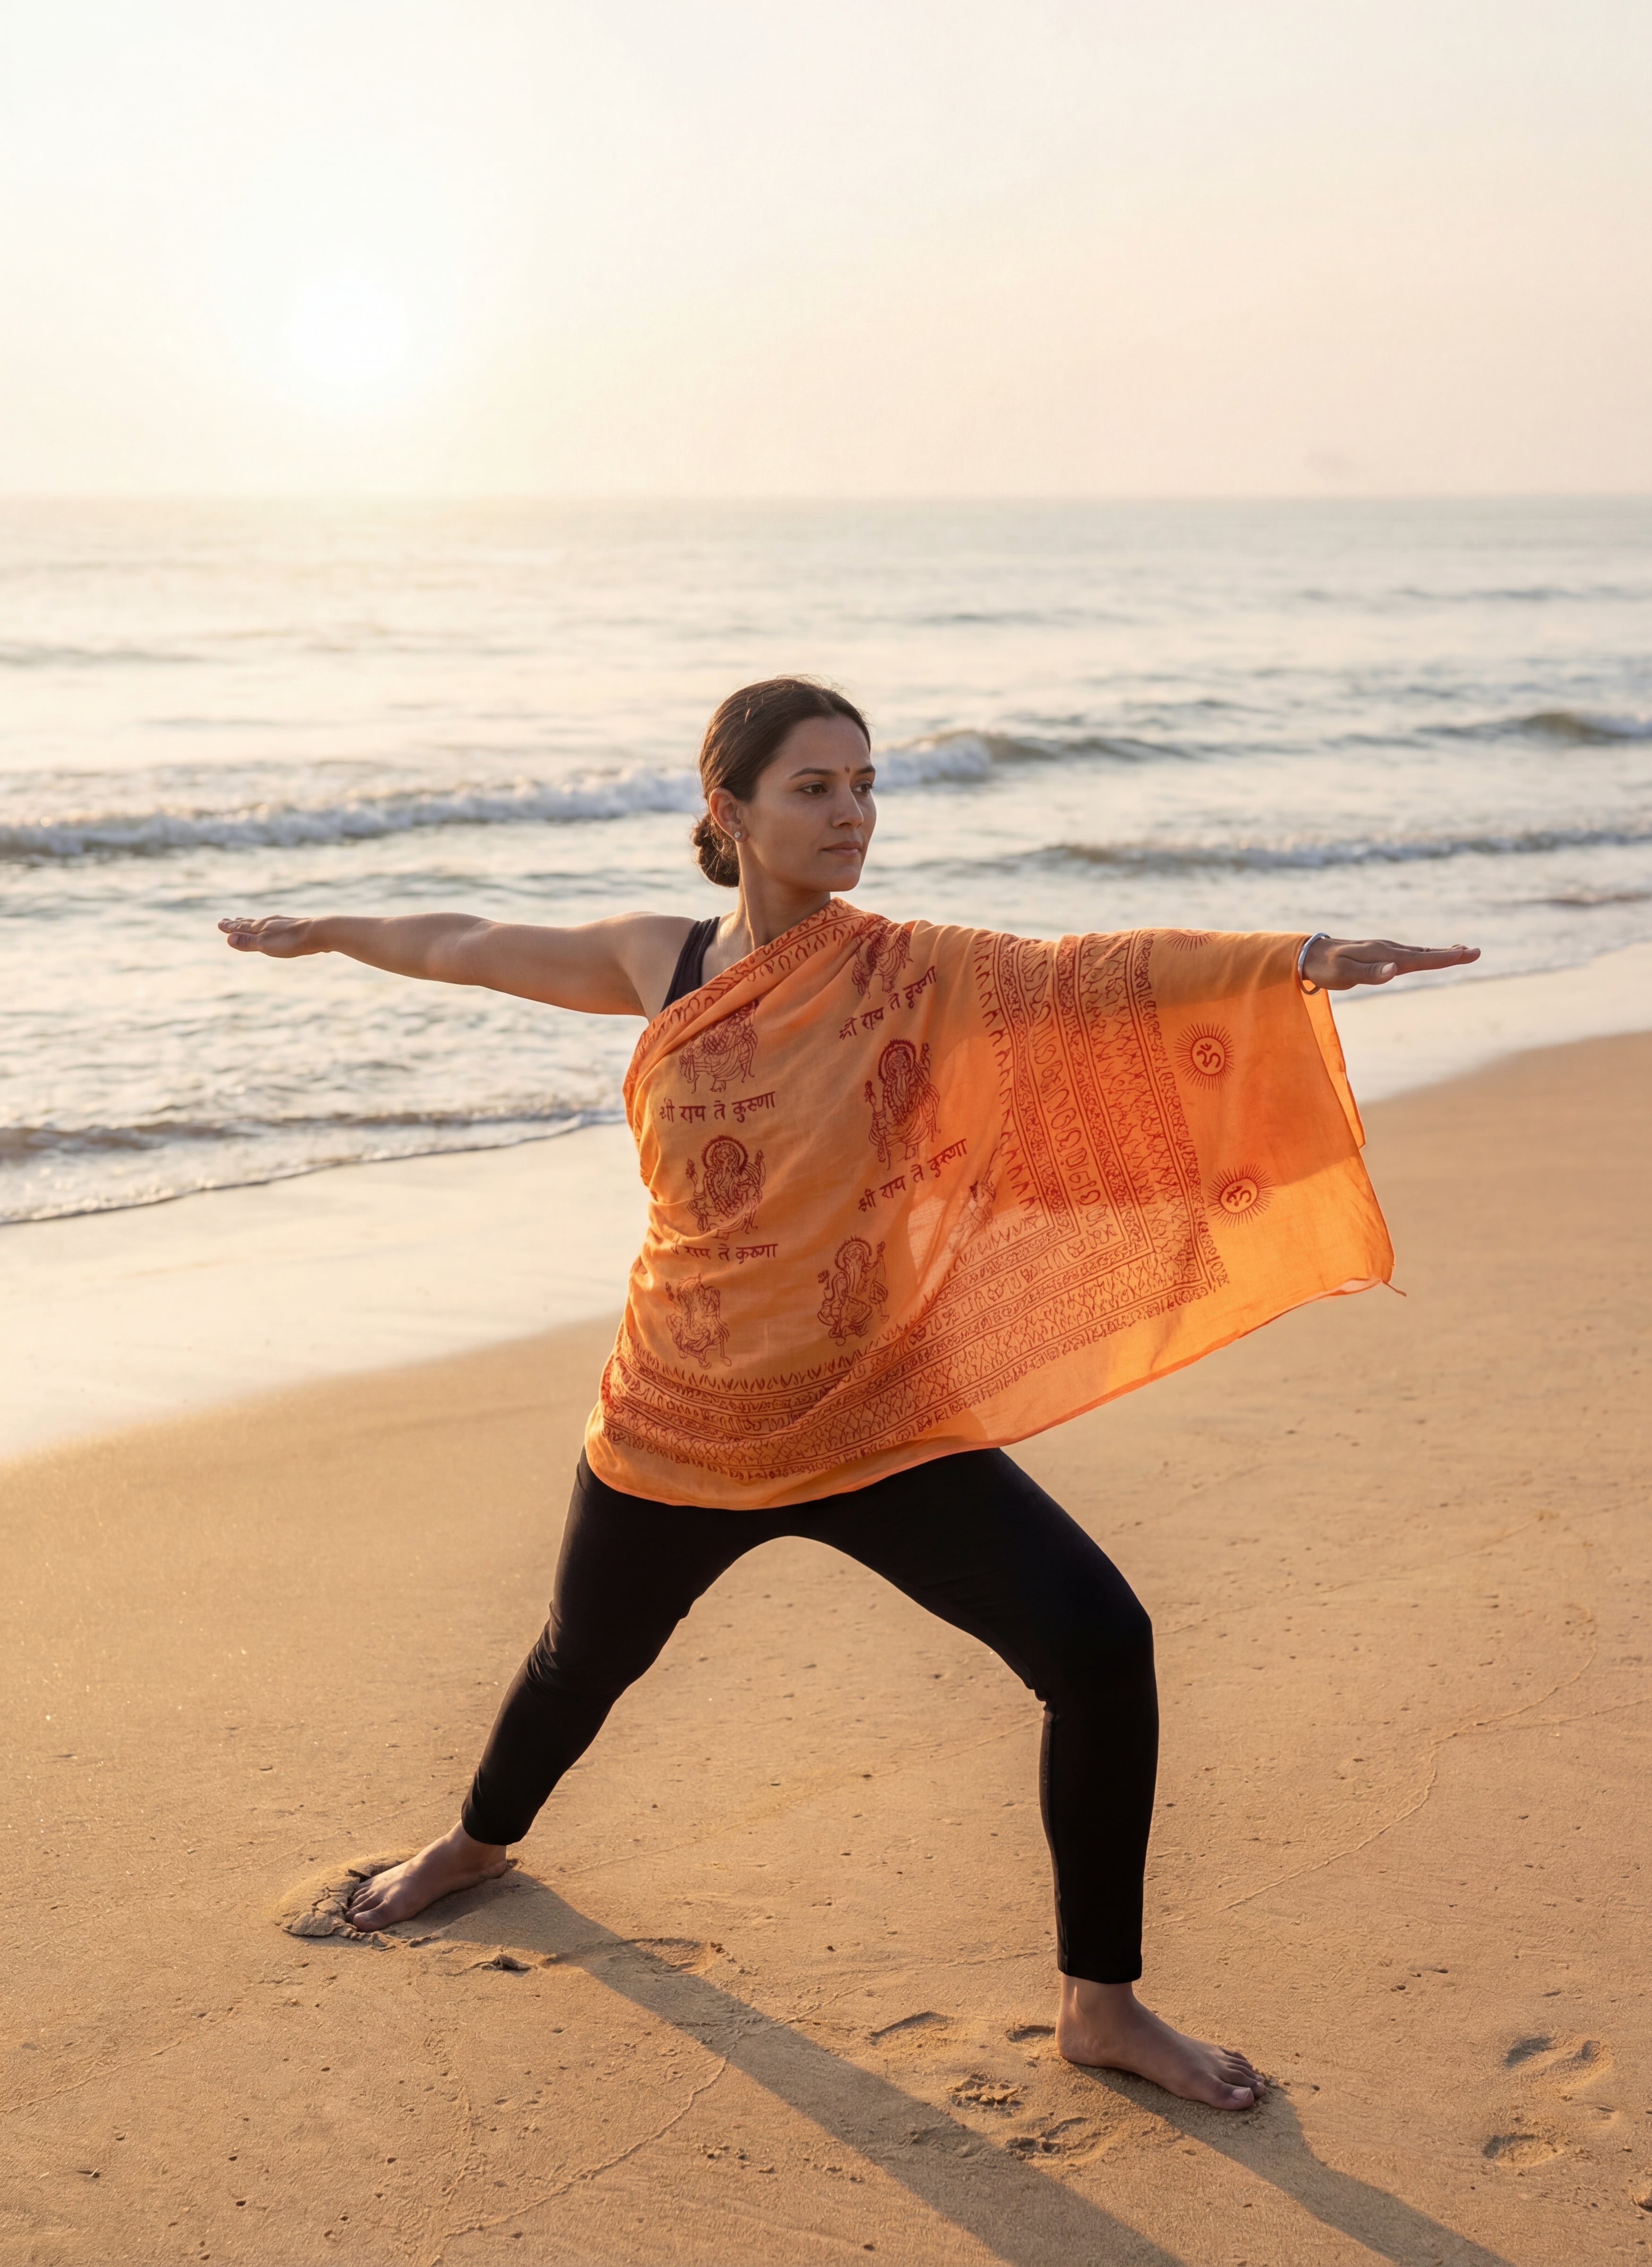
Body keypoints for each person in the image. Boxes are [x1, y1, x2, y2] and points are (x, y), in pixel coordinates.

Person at [221, 676, 1478, 2112]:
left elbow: (1096, 972)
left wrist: (1302, 956)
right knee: (583, 1660)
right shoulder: (668, 963)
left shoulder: (918, 970)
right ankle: (477, 1844)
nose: (852, 813)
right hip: (680, 1414)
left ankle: (1103, 2007)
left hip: (871, 1411)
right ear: (730, 811)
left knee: (1101, 1646)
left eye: (865, 784)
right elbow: (467, 939)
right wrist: (322, 930)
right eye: (814, 786)